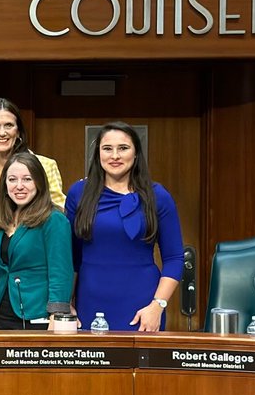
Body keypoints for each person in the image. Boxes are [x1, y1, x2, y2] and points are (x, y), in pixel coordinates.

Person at [65, 122, 182, 331]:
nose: (115, 156)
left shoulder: (158, 197)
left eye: (123, 148)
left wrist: (158, 306)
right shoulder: (78, 194)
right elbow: (71, 258)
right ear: (98, 154)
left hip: (143, 308)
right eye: (107, 149)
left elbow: (174, 259)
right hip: (90, 303)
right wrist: (66, 304)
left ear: (136, 153)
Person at [0, 152, 73, 329]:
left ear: (39, 182)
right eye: (12, 179)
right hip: (1, 314)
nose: (19, 186)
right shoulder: (3, 219)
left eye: (27, 179)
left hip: (37, 315)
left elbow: (61, 272)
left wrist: (57, 315)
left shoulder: (53, 219)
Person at [0, 97, 64, 210]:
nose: (2, 133)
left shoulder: (45, 165)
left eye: (9, 125)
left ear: (18, 132)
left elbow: (59, 210)